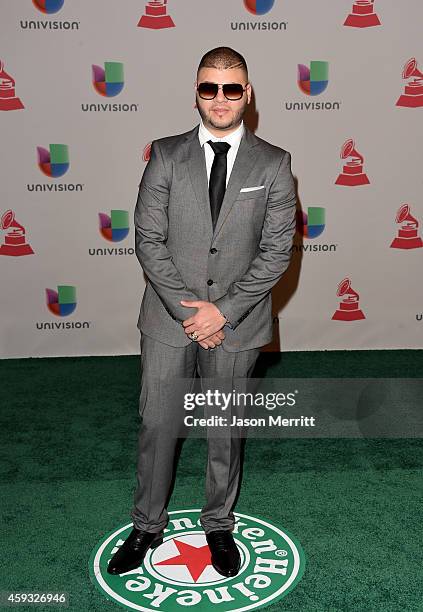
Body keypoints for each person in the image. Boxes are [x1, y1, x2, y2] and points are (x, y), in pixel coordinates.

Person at [107, 46, 296, 578]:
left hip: (236, 323)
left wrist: (224, 312)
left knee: (224, 428)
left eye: (231, 88)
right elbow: (149, 239)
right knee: (157, 424)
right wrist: (191, 310)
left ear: (247, 94)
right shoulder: (165, 154)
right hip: (169, 320)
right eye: (208, 88)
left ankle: (218, 523)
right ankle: (146, 524)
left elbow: (277, 251)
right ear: (196, 92)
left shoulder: (275, 163)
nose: (219, 99)